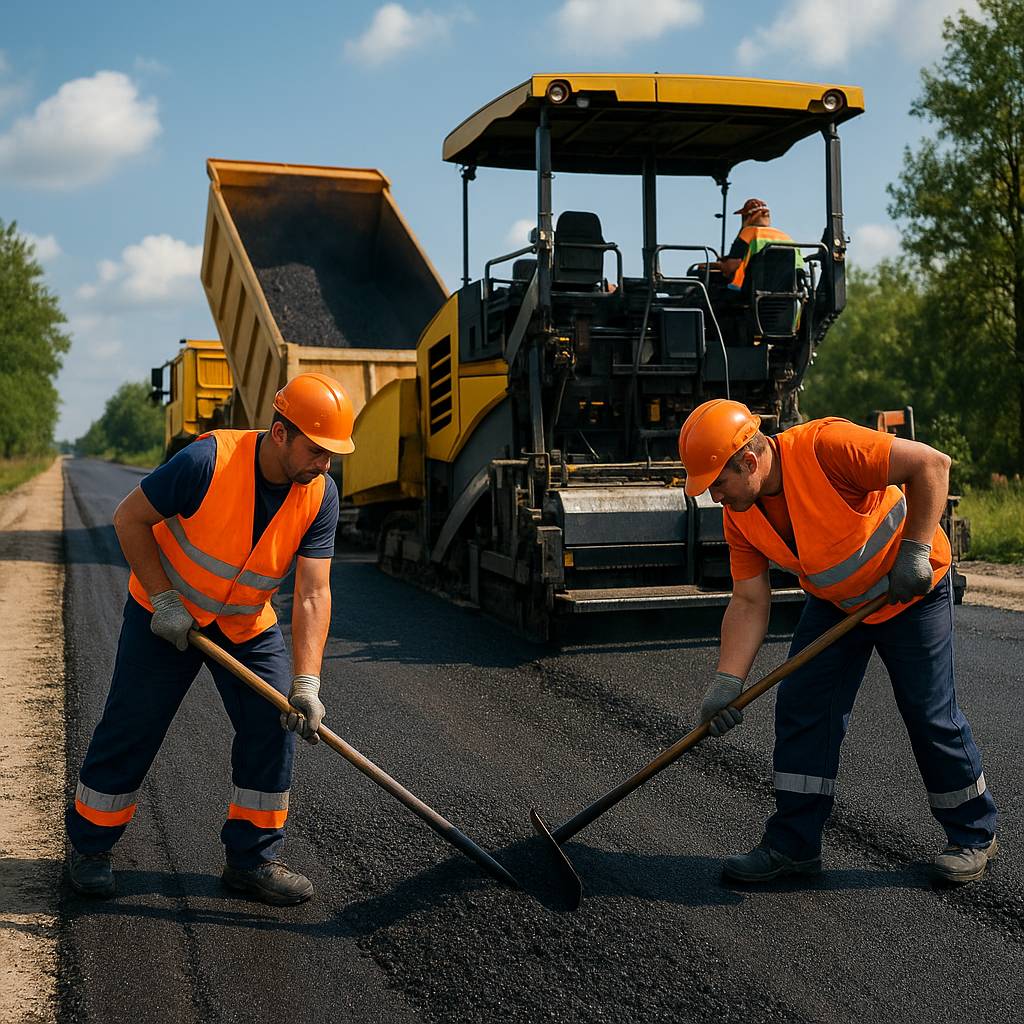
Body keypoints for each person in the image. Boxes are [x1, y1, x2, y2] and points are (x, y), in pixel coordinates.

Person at [677, 399, 998, 885]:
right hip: (837, 602)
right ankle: (794, 845)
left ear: (749, 460)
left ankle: (973, 833)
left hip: (910, 589)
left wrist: (913, 551)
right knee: (804, 705)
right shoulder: (741, 516)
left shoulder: (827, 447)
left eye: (718, 484)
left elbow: (932, 464)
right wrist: (727, 681)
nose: (715, 497)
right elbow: (748, 601)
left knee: (928, 712)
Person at [66, 372, 355, 906]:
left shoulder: (320, 495)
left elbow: (314, 594)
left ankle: (251, 861)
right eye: (318, 450)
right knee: (133, 723)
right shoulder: (207, 462)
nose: (325, 464)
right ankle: (90, 848)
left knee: (275, 724)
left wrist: (308, 682)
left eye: (333, 454)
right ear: (279, 434)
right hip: (167, 614)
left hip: (246, 623)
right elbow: (129, 518)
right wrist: (165, 600)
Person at [718, 198, 796, 291]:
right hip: (787, 296)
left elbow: (731, 267)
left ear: (751, 217)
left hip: (749, 293)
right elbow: (799, 270)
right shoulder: (787, 238)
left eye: (744, 217)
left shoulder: (748, 233)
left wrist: (716, 265)